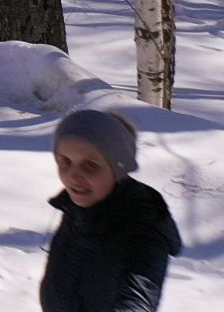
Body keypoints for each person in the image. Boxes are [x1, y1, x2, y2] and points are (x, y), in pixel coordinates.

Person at [41, 108, 181, 312]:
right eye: (65, 162)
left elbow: (137, 302)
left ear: (117, 169)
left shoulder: (142, 231)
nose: (73, 176)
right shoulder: (77, 210)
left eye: (90, 165)